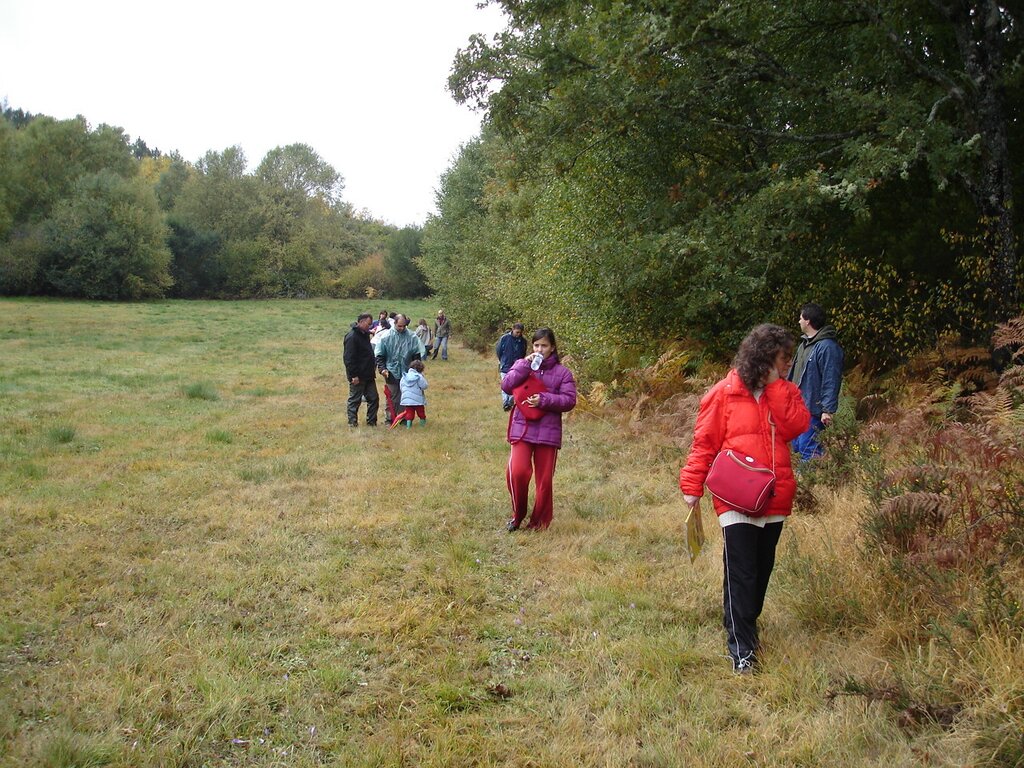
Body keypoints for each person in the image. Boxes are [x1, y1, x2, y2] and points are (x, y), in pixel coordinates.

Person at [679, 324, 810, 674]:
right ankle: (743, 649)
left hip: (775, 495)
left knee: (761, 570)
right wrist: (692, 487)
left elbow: (797, 427)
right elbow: (704, 443)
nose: (787, 366)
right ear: (763, 357)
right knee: (742, 572)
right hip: (734, 495)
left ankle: (741, 622)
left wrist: (777, 387)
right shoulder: (724, 393)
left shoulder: (786, 391)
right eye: (782, 360)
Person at [500, 327, 577, 531]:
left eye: (544, 345)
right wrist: (524, 365)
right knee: (517, 472)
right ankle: (518, 515)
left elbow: (569, 401)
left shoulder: (563, 373)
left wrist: (544, 400)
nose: (540, 349)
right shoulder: (522, 365)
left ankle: (539, 523)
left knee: (544, 481)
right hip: (522, 428)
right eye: (536, 345)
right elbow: (506, 386)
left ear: (552, 348)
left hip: (548, 431)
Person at [788, 302, 844, 461]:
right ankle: (808, 480)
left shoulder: (828, 347)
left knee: (808, 447)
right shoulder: (803, 345)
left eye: (800, 318)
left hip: (814, 408)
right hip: (798, 407)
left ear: (808, 321)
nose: (799, 321)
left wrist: (827, 409)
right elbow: (793, 375)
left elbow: (831, 379)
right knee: (798, 445)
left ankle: (812, 482)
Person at [375, 313, 425, 424]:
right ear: (395, 324)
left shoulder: (412, 337)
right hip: (391, 371)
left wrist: (417, 372)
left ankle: (403, 418)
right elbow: (380, 356)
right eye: (399, 326)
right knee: (392, 396)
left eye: (404, 326)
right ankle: (390, 418)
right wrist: (382, 369)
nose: (402, 328)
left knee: (405, 396)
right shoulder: (386, 337)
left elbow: (416, 357)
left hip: (408, 373)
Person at [342, 313, 380, 427]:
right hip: (357, 375)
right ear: (361, 322)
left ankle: (372, 422)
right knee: (355, 400)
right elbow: (348, 358)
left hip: (368, 374)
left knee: (374, 399)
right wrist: (353, 375)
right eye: (368, 324)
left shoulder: (365, 334)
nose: (370, 326)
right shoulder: (352, 337)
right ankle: (352, 423)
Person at [496, 323, 527, 411]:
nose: (518, 334)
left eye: (520, 333)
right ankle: (505, 402)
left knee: (515, 385)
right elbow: (498, 351)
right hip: (505, 365)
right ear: (513, 329)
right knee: (505, 385)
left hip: (517, 368)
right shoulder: (504, 338)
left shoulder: (523, 341)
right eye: (517, 332)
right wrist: (503, 361)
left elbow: (523, 353)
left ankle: (510, 402)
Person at [391, 359, 428, 428]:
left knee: (409, 412)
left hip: (407, 399)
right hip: (417, 400)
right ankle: (422, 425)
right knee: (421, 412)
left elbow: (401, 387)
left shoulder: (404, 376)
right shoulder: (419, 377)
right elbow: (424, 386)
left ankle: (408, 426)